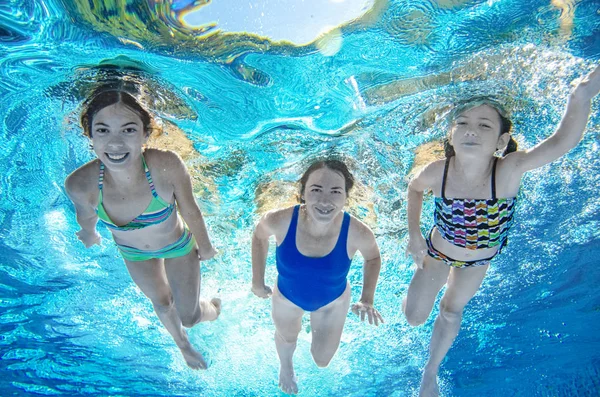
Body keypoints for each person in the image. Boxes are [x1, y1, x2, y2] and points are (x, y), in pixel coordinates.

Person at [403, 65, 600, 396]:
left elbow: (561, 142)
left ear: (501, 140)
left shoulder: (509, 170)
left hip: (477, 263)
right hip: (436, 253)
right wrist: (413, 235)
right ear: (451, 134)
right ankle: (413, 290)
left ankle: (430, 373)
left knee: (451, 310)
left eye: (484, 125)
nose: (472, 131)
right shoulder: (438, 170)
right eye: (463, 123)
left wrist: (582, 94)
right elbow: (414, 188)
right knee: (413, 317)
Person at [64, 89, 221, 370]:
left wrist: (206, 247)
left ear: (145, 133)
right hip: (134, 253)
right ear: (90, 135)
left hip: (177, 247)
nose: (114, 142)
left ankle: (215, 308)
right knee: (162, 303)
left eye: (128, 129)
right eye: (102, 130)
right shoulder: (80, 183)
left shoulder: (165, 166)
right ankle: (184, 346)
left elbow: (190, 210)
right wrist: (89, 233)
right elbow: (85, 216)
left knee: (190, 316)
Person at [251, 159, 384, 395]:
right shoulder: (280, 220)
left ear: (346, 197)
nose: (325, 200)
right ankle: (286, 367)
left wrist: (367, 298)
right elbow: (259, 236)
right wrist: (257, 280)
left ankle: (316, 327)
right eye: (316, 190)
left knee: (322, 360)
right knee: (287, 337)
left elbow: (373, 257)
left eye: (335, 192)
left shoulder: (357, 231)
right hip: (286, 298)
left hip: (332, 303)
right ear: (302, 193)